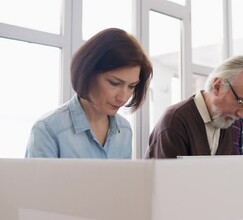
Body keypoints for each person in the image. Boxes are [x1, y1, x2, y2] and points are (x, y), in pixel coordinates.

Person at [25, 28, 153, 158]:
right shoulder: (49, 129)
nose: (123, 97)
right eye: (114, 83)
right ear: (88, 74)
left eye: (131, 86)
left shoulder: (124, 130)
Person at [145, 55, 243, 159]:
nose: (242, 114)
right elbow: (166, 183)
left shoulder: (225, 120)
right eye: (240, 102)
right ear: (217, 87)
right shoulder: (174, 122)